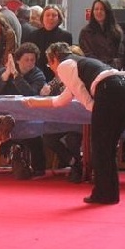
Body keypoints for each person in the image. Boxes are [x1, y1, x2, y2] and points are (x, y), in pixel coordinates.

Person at [22, 42, 125, 204]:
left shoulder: (65, 66)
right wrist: (35, 102)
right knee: (107, 147)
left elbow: (81, 93)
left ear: (54, 58)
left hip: (109, 91)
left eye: (50, 64)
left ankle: (103, 193)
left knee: (100, 146)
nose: (52, 69)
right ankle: (109, 193)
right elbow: (61, 100)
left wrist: (94, 109)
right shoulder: (77, 64)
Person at [0, 42, 47, 176]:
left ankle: (39, 168)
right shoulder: (5, 71)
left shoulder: (38, 74)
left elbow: (30, 94)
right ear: (17, 60)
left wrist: (16, 75)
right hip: (4, 116)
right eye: (26, 59)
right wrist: (5, 76)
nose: (30, 63)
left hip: (28, 116)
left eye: (32, 60)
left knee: (35, 132)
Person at [39, 45, 85, 183]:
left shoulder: (82, 76)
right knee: (48, 137)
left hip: (80, 121)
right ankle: (73, 162)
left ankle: (78, 169)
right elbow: (44, 93)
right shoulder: (57, 79)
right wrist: (46, 90)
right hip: (62, 120)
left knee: (72, 139)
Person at [28, 5, 72, 81]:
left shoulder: (66, 36)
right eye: (47, 15)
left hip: (59, 74)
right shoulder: (33, 35)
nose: (50, 18)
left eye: (54, 15)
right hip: (37, 74)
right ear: (42, 18)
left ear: (59, 19)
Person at [79, 0, 123, 69]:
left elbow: (120, 54)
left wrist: (113, 66)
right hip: (94, 70)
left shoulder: (116, 31)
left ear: (107, 11)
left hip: (113, 70)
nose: (99, 12)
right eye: (96, 9)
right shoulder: (86, 32)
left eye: (102, 9)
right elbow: (87, 55)